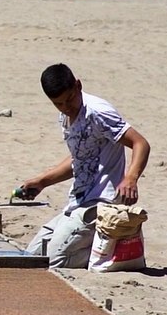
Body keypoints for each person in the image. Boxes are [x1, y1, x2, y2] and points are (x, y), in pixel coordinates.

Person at [18, 63, 150, 269]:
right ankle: (101, 244)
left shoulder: (98, 112)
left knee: (51, 261)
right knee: (31, 256)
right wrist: (43, 181)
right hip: (77, 203)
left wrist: (131, 178)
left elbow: (140, 143)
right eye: (58, 104)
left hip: (101, 203)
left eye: (69, 99)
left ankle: (114, 246)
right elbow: (80, 158)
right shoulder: (66, 116)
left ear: (78, 85)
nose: (66, 107)